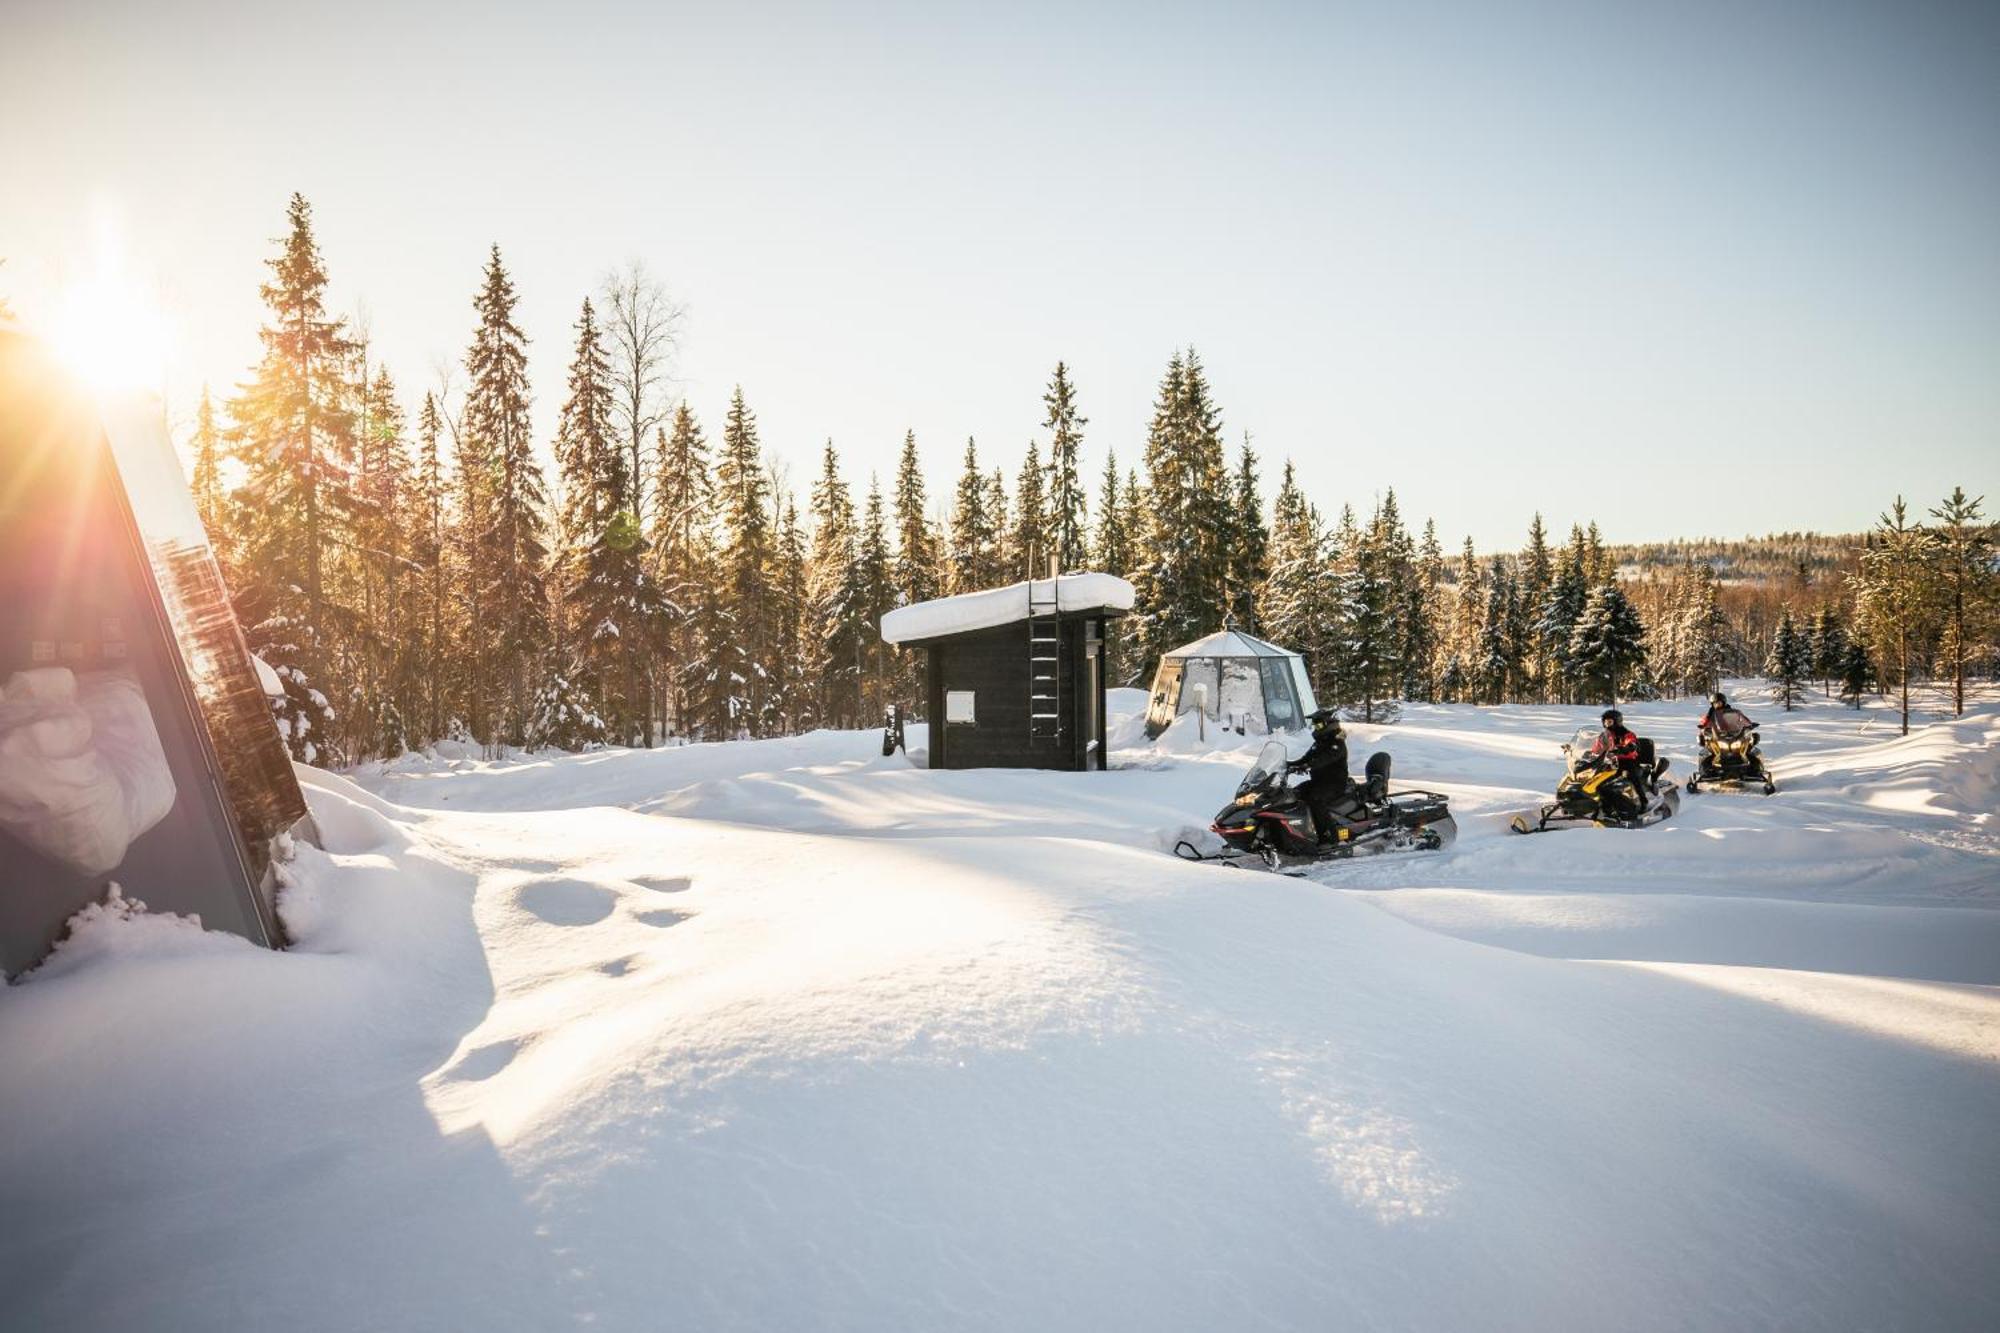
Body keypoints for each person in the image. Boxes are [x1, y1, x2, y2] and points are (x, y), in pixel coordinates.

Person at [1289, 708, 1351, 842]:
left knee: (1315, 799)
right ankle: (1301, 833)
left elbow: (1326, 758)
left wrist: (1309, 766)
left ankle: (1328, 835)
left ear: (1328, 724)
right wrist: (1289, 765)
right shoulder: (1319, 743)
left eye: (1319, 725)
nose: (1316, 728)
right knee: (1294, 793)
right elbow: (1306, 758)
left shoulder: (1336, 742)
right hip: (1319, 782)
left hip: (1334, 784)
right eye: (1315, 725)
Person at [1587, 707, 1648, 817]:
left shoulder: (1626, 733)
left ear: (1617, 721)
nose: (1607, 724)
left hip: (1628, 761)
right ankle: (1600, 806)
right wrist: (1589, 754)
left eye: (1610, 722)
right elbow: (1597, 748)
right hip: (1611, 763)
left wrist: (1627, 748)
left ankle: (1643, 802)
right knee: (1599, 782)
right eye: (1605, 722)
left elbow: (1632, 743)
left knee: (1631, 776)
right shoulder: (1604, 735)